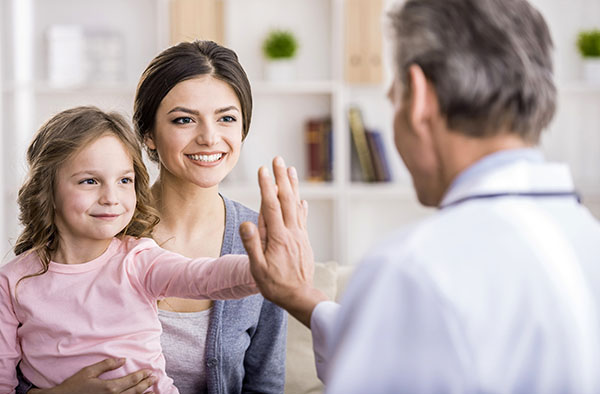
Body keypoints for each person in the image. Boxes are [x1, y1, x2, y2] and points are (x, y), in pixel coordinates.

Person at [239, 0, 600, 392]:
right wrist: (301, 296)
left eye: (394, 97)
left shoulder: (413, 269)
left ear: (421, 99)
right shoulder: (584, 238)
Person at [15, 40, 287, 394]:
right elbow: (24, 365)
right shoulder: (97, 220)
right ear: (148, 135)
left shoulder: (263, 239)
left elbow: (265, 384)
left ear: (242, 129)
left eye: (227, 118)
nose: (209, 137)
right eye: (184, 120)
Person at [0, 106, 259, 393]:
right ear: (46, 188)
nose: (111, 198)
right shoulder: (12, 282)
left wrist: (259, 269)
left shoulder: (138, 259)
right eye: (90, 181)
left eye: (124, 180)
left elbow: (202, 276)